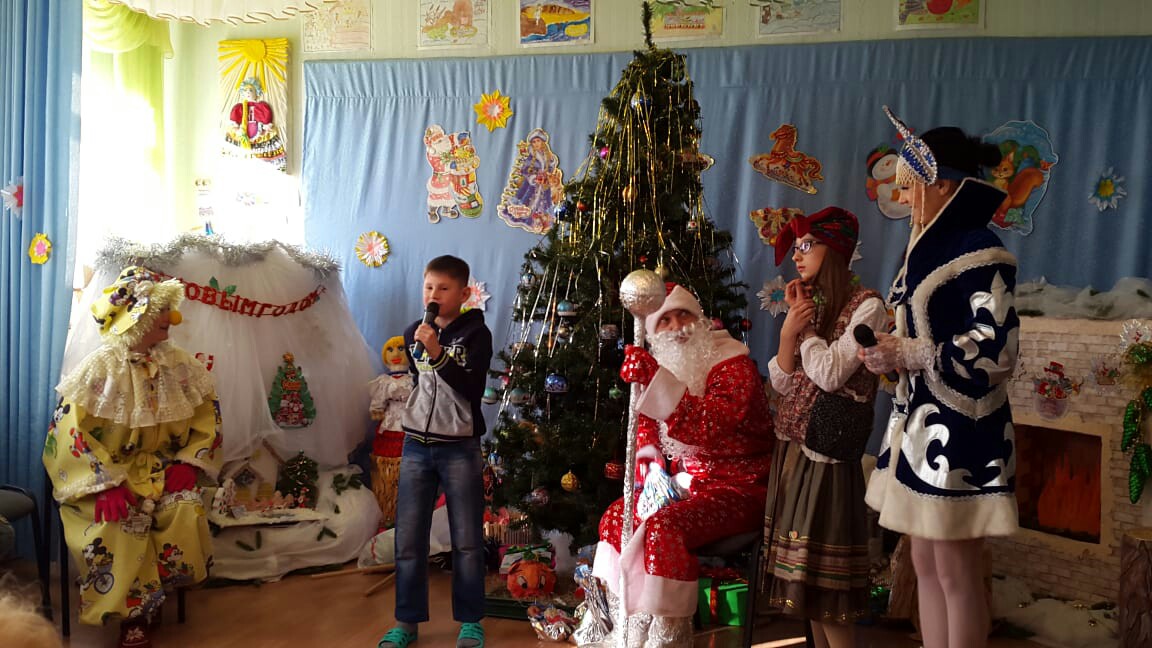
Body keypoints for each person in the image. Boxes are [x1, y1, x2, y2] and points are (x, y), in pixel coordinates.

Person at [860, 110, 1020, 648]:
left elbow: (996, 349)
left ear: (943, 185)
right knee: (926, 561)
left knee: (955, 568)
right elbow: (913, 341)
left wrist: (915, 352)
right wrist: (888, 356)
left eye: (911, 186)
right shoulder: (920, 254)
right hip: (919, 426)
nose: (904, 198)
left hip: (963, 430)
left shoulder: (980, 251)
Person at [45, 266, 221, 648]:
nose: (171, 317)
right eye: (161, 310)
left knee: (184, 508)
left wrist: (188, 462)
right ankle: (133, 616)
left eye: (169, 309)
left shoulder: (182, 366)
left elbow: (208, 418)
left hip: (161, 470)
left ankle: (154, 595)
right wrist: (102, 483)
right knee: (116, 524)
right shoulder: (98, 369)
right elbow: (66, 433)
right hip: (104, 474)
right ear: (136, 316)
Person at [589, 285, 774, 648]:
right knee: (617, 517)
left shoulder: (734, 366)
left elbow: (710, 424)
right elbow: (646, 430)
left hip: (740, 489)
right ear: (654, 333)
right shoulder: (669, 366)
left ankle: (669, 636)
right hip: (684, 487)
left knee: (664, 528)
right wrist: (651, 478)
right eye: (665, 321)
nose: (676, 327)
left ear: (700, 320)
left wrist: (657, 380)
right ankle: (630, 624)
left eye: (684, 315)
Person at [765, 206, 888, 648]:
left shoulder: (868, 306)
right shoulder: (812, 305)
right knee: (807, 586)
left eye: (806, 245)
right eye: (796, 248)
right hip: (797, 448)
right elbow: (783, 382)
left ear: (834, 249)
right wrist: (789, 334)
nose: (797, 256)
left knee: (826, 586)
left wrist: (807, 333)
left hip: (829, 453)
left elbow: (831, 373)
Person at [379, 255, 493, 648]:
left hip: (459, 447)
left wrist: (439, 352)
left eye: (444, 289)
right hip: (416, 445)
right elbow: (420, 385)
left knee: (467, 540)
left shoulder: (477, 334)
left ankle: (471, 621)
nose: (434, 295)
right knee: (409, 539)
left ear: (463, 293)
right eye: (429, 287)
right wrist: (427, 346)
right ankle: (406, 624)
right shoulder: (414, 331)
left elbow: (471, 388)